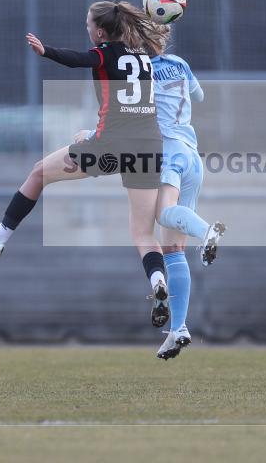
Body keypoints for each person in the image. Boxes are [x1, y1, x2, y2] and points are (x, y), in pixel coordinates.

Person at [0, 1, 171, 328]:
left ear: (100, 32)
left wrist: (47, 52)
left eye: (89, 24)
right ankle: (158, 281)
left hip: (109, 148)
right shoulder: (143, 56)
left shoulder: (103, 53)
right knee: (144, 233)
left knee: (37, 173)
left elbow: (78, 60)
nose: (87, 28)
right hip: (148, 149)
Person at [74, 24, 225, 360]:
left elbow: (124, 114)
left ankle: (208, 230)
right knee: (173, 249)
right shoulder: (180, 63)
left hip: (168, 151)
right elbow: (199, 96)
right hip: (193, 154)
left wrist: (92, 134)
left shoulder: (142, 73)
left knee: (163, 214)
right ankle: (179, 328)